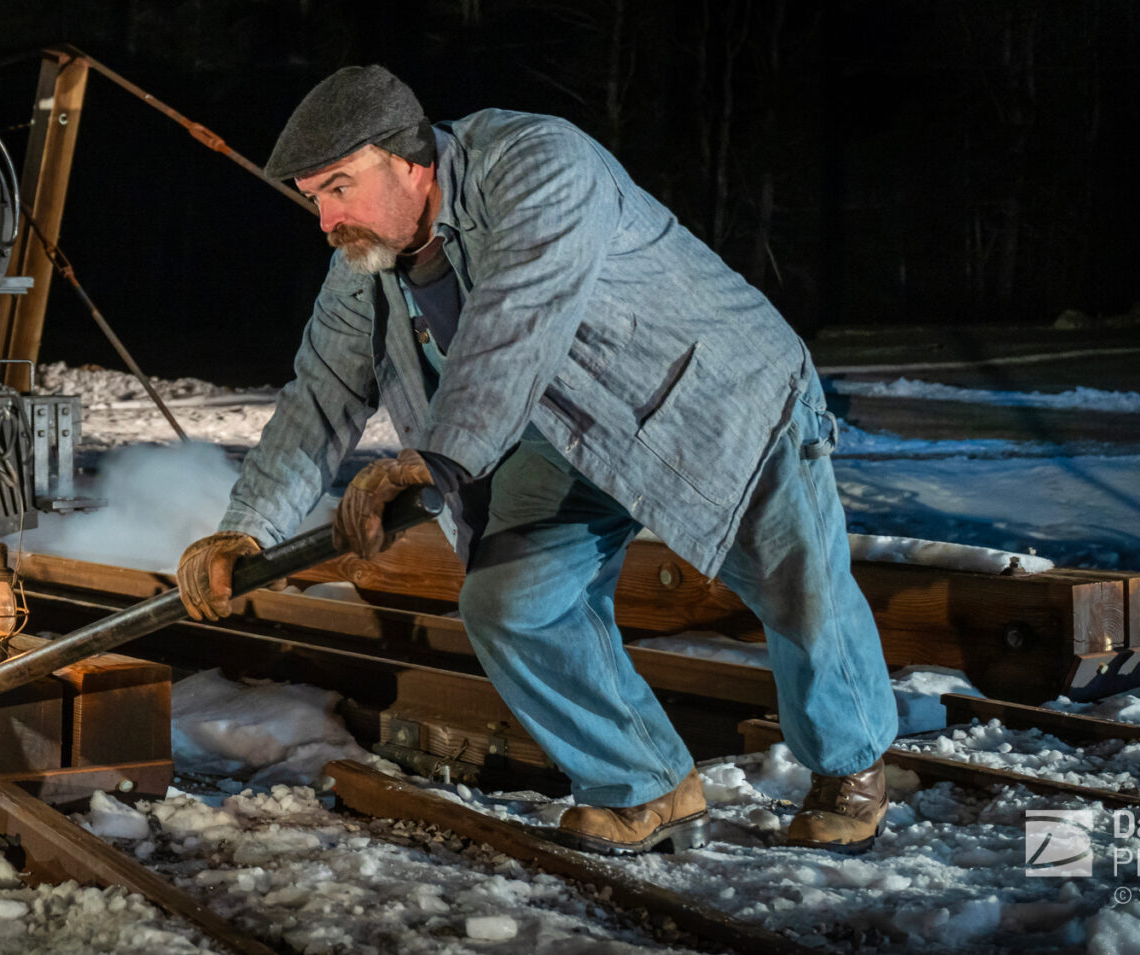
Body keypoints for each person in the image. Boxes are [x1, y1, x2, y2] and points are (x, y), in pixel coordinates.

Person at [176, 66, 897, 854]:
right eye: (315, 197)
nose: (325, 219)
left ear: (410, 161)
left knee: (797, 583)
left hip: (713, 394)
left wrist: (435, 458)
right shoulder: (366, 264)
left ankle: (851, 767)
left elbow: (514, 318)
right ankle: (645, 782)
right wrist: (247, 527)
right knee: (511, 601)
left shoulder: (539, 164)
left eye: (339, 188)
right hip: (557, 431)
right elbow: (320, 392)